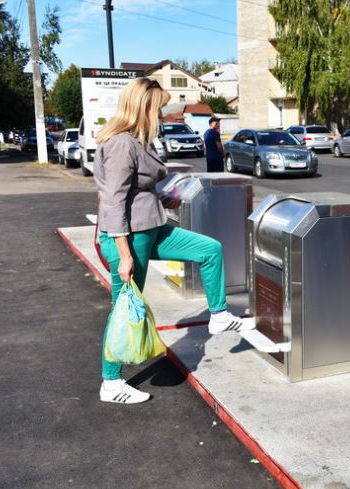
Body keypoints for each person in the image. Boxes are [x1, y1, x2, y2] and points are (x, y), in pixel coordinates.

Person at [94, 78, 251, 404]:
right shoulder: (122, 143)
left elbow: (139, 191)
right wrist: (123, 253)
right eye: (159, 108)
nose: (163, 115)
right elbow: (114, 201)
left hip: (152, 229)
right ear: (144, 107)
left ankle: (219, 316)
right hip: (130, 238)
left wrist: (164, 198)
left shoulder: (140, 142)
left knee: (210, 249)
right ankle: (111, 383)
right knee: (122, 310)